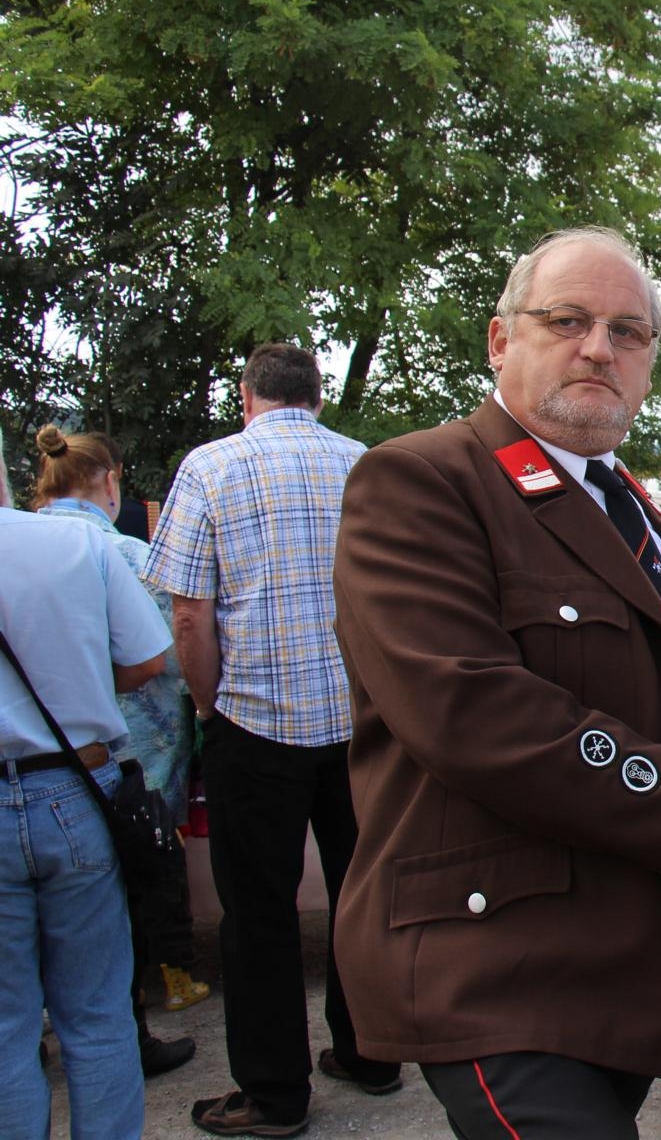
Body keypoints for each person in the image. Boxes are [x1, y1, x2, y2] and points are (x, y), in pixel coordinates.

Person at [330, 226, 661, 1140]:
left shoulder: (619, 499)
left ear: (649, 362)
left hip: (615, 956)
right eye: (567, 320)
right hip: (493, 963)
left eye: (627, 332)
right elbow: (472, 711)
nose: (598, 348)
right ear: (501, 340)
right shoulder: (422, 479)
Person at [145, 342, 395, 1137]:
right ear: (317, 395)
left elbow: (190, 612)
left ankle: (275, 1096)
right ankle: (371, 1053)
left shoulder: (211, 466)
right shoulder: (365, 464)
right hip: (360, 723)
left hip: (254, 722)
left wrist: (208, 707)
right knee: (364, 892)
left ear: (246, 396)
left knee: (257, 915)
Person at [2, 430, 168, 1139]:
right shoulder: (79, 545)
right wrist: (76, 679)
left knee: (5, 1027)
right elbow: (148, 660)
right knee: (98, 1012)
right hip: (75, 786)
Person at [31, 426, 207, 1078]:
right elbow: (167, 658)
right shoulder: (131, 555)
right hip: (128, 762)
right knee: (121, 895)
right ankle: (131, 1023)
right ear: (110, 481)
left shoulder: (17, 545)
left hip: (32, 762)